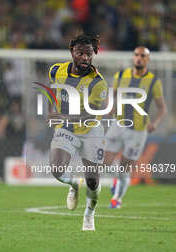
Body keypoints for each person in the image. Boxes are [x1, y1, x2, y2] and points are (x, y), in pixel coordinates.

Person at [48, 34, 108, 231]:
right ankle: (74, 184)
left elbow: (89, 114)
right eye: (80, 53)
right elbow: (54, 92)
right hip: (66, 130)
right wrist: (52, 110)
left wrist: (63, 117)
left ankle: (89, 214)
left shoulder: (98, 82)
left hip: (91, 131)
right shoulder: (56, 70)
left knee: (93, 180)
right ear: (72, 52)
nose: (85, 58)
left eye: (89, 54)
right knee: (56, 170)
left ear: (94, 54)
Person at [104, 46, 167, 209]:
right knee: (105, 162)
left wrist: (155, 123)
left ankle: (116, 199)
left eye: (143, 56)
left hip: (138, 131)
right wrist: (109, 107)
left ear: (147, 60)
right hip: (118, 125)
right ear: (133, 57)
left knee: (124, 167)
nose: (139, 58)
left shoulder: (154, 81)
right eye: (137, 55)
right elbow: (113, 95)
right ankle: (116, 181)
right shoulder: (121, 75)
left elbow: (162, 108)